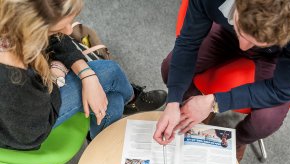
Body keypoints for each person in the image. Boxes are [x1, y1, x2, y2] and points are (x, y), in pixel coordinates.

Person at [153, 0, 290, 160]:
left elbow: (282, 90)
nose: (244, 47)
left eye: (257, 42)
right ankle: (192, 108)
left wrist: (215, 102)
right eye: (242, 31)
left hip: (274, 56)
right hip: (226, 31)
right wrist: (173, 101)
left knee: (267, 121)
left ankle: (236, 141)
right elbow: (188, 43)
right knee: (169, 69)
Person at [0, 0, 167, 150]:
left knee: (113, 101)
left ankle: (100, 142)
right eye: (58, 28)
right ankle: (131, 100)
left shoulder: (14, 20)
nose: (69, 30)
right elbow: (32, 135)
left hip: (28, 103)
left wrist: (87, 74)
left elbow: (55, 38)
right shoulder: (14, 78)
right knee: (111, 72)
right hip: (26, 129)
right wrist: (56, 75)